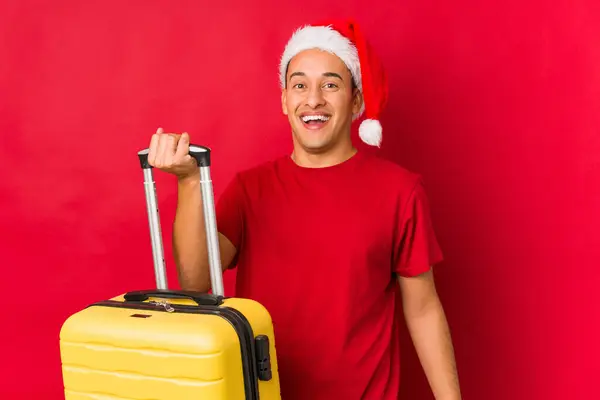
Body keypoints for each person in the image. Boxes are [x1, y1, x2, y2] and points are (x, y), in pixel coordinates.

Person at [147, 20, 461, 400]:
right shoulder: (251, 189)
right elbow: (196, 282)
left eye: (330, 84)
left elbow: (424, 309)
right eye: (300, 85)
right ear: (284, 101)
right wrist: (189, 182)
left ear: (356, 100)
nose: (313, 99)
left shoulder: (400, 191)